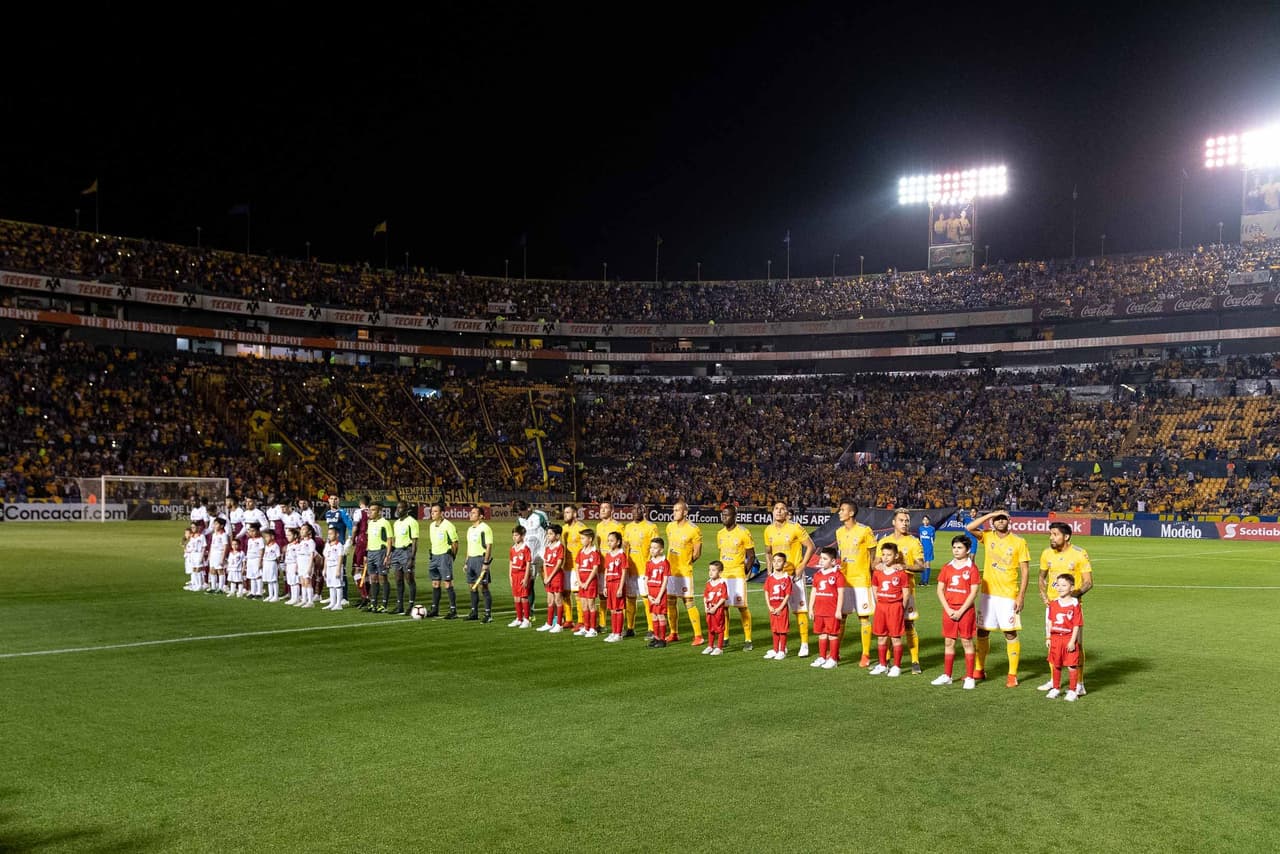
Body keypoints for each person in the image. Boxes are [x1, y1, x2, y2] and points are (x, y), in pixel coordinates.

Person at [967, 510, 1031, 687]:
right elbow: (969, 527)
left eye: (1003, 518)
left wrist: (1021, 595)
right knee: (982, 631)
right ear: (992, 522)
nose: (1000, 521)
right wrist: (990, 515)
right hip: (987, 594)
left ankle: (1012, 674)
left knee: (1009, 632)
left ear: (1009, 521)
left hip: (1008, 595)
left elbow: (1025, 570)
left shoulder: (1019, 542)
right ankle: (979, 670)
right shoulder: (987, 536)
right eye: (997, 519)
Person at [1037, 522, 1093, 695]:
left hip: (1071, 607)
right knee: (1053, 644)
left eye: (1055, 534)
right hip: (1053, 606)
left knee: (1075, 645)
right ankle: (1054, 680)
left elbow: (1088, 582)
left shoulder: (1079, 553)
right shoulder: (1047, 553)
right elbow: (1041, 576)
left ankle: (1080, 684)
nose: (1051, 537)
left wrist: (1072, 598)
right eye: (1050, 534)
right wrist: (1043, 594)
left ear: (1066, 536)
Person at [765, 501, 816, 657]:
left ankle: (804, 644)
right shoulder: (768, 530)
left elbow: (811, 546)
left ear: (787, 512)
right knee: (779, 609)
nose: (779, 511)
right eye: (776, 509)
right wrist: (769, 571)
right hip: (778, 576)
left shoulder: (795, 527)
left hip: (794, 575)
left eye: (782, 509)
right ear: (772, 511)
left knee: (799, 610)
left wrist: (801, 566)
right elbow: (768, 552)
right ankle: (781, 647)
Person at [879, 509, 926, 674]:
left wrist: (905, 566)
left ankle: (914, 661)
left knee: (908, 624)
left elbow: (921, 566)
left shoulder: (914, 542)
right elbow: (876, 564)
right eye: (901, 520)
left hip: (906, 590)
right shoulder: (884, 541)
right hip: (887, 592)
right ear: (894, 522)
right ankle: (886, 661)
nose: (905, 523)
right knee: (887, 627)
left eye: (907, 521)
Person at [931, 536, 980, 689]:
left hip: (965, 611)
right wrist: (948, 609)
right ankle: (947, 675)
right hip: (949, 610)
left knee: (966, 641)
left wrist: (960, 611)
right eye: (954, 547)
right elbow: (939, 590)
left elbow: (973, 593)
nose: (956, 550)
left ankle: (970, 677)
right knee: (949, 642)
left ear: (968, 550)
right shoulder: (947, 567)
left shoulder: (972, 568)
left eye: (960, 548)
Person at [835, 499, 879, 666]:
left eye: (842, 510)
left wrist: (871, 573)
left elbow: (873, 554)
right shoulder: (839, 532)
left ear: (851, 513)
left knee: (863, 617)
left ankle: (866, 654)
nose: (840, 512)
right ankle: (835, 652)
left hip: (861, 579)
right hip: (845, 579)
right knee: (842, 617)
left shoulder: (864, 531)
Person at [715, 503, 756, 651]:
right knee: (723, 607)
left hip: (737, 575)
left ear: (734, 516)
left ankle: (748, 639)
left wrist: (743, 571)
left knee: (742, 607)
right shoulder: (720, 534)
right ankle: (725, 637)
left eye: (727, 515)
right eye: (723, 514)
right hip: (723, 575)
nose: (724, 517)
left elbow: (751, 556)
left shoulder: (743, 532)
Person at [664, 500, 704, 646]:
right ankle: (673, 633)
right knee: (670, 602)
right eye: (673, 510)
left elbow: (697, 553)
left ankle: (698, 636)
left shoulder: (694, 529)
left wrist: (685, 562)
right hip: (670, 571)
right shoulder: (669, 527)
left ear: (685, 512)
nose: (674, 513)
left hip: (684, 572)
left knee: (688, 602)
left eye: (677, 510)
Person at [869, 542, 909, 677]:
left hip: (895, 607)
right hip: (881, 607)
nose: (886, 557)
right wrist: (878, 601)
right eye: (884, 555)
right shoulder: (878, 572)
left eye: (889, 555)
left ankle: (897, 666)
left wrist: (900, 607)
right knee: (881, 637)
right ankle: (882, 665)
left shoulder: (901, 573)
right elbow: (874, 587)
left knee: (895, 638)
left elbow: (906, 593)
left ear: (896, 556)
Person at [1044, 573, 1084, 701]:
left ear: (1071, 588)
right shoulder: (1054, 604)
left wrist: (1073, 641)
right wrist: (1048, 638)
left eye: (1064, 585)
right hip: (1056, 639)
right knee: (1056, 664)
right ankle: (1056, 688)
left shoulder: (1075, 604)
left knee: (1072, 665)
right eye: (1058, 585)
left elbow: (1077, 624)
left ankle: (1073, 691)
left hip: (1068, 638)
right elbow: (1050, 621)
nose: (1060, 588)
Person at [622, 502, 659, 638]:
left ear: (644, 511)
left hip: (645, 569)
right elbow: (625, 547)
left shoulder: (651, 527)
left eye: (639, 509)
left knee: (646, 599)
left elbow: (655, 547)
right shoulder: (628, 527)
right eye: (634, 508)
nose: (636, 511)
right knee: (630, 598)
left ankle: (651, 628)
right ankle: (630, 628)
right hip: (631, 569)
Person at [807, 547, 845, 670]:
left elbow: (841, 594)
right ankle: (822, 657)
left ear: (833, 561)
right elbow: (814, 591)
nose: (821, 561)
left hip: (831, 611)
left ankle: (833, 658)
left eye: (825, 559)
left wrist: (839, 610)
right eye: (821, 558)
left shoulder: (838, 576)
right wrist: (810, 607)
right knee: (822, 634)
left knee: (832, 634)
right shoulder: (817, 575)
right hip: (819, 610)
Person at [513, 500, 548, 628]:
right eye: (518, 513)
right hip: (528, 556)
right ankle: (529, 612)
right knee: (528, 584)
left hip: (542, 556)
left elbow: (550, 532)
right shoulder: (520, 519)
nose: (520, 515)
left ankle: (555, 614)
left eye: (521, 512)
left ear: (528, 508)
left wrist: (549, 552)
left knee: (548, 584)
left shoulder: (540, 516)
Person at [426, 502, 460, 619]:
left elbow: (455, 543)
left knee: (447, 583)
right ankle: (435, 609)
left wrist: (451, 557)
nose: (432, 513)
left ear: (441, 513)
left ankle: (453, 610)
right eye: (432, 511)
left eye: (435, 511)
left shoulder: (448, 525)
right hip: (434, 556)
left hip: (444, 556)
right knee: (435, 583)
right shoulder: (431, 526)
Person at [594, 502, 624, 630]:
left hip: (615, 567)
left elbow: (623, 545)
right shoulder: (599, 526)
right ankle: (602, 624)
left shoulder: (618, 526)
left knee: (618, 598)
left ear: (612, 510)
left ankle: (620, 627)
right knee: (602, 594)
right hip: (602, 565)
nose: (602, 510)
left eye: (605, 508)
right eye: (601, 508)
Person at [389, 501, 421, 615]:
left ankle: (411, 605)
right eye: (397, 508)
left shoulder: (412, 522)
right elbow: (395, 539)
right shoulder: (396, 523)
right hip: (397, 551)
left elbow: (414, 541)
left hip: (407, 551)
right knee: (398, 579)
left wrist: (412, 558)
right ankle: (400, 605)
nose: (398, 510)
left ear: (406, 509)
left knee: (409, 579)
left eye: (400, 508)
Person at [464, 505, 494, 622]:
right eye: (470, 512)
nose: (471, 514)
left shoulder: (485, 528)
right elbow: (469, 546)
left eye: (474, 513)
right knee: (472, 586)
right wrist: (466, 562)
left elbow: (488, 546)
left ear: (481, 516)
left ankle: (488, 614)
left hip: (480, 560)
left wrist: (486, 562)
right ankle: (474, 612)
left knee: (483, 587)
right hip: (471, 560)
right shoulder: (470, 529)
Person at [363, 502, 393, 612]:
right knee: (373, 578)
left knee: (382, 578)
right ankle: (373, 603)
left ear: (379, 511)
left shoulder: (385, 523)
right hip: (371, 553)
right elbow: (369, 539)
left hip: (381, 552)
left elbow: (390, 540)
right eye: (369, 510)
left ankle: (384, 604)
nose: (370, 512)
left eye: (373, 510)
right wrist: (366, 554)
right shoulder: (370, 523)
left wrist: (388, 556)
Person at [561, 505, 588, 629]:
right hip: (566, 565)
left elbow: (586, 546)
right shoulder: (564, 529)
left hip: (577, 567)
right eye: (565, 512)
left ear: (575, 514)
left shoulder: (581, 528)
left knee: (577, 594)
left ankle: (581, 621)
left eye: (568, 512)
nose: (565, 514)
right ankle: (568, 619)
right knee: (565, 593)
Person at [324, 495, 354, 604]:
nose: (333, 501)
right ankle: (333, 597)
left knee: (341, 570)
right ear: (328, 501)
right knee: (330, 570)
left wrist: (349, 540)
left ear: (338, 501)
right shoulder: (327, 513)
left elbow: (351, 526)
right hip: (330, 545)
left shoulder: (342, 512)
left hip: (339, 545)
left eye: (335, 499)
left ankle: (344, 597)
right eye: (331, 499)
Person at [763, 554, 794, 660]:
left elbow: (787, 595)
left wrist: (780, 607)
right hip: (772, 606)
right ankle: (775, 649)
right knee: (775, 629)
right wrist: (769, 606)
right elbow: (766, 592)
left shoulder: (786, 578)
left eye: (779, 561)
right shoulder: (770, 578)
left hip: (782, 607)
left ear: (784, 563)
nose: (776, 563)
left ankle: (782, 650)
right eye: (774, 561)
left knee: (782, 629)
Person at [537, 523, 567, 633]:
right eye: (547, 534)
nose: (548, 536)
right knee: (550, 600)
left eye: (550, 534)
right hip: (548, 576)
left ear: (557, 536)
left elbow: (559, 563)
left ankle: (559, 624)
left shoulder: (560, 547)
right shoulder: (548, 547)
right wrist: (545, 576)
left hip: (556, 576)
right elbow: (545, 563)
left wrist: (550, 577)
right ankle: (549, 623)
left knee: (558, 600)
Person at [573, 529, 601, 638]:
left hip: (590, 582)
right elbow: (577, 566)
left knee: (591, 605)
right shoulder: (581, 551)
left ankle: (593, 629)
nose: (581, 540)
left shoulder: (594, 553)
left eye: (583, 538)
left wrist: (587, 582)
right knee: (584, 605)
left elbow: (595, 569)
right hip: (582, 582)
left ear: (590, 539)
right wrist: (580, 581)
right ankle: (586, 627)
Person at [602, 531, 629, 643]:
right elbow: (606, 570)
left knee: (618, 609)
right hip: (609, 584)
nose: (609, 543)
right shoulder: (608, 555)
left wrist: (620, 588)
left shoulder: (622, 555)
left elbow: (624, 572)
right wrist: (604, 586)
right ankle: (613, 632)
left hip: (617, 583)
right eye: (608, 540)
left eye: (611, 540)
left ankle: (618, 633)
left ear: (618, 542)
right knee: (612, 610)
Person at [644, 538, 671, 648]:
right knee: (654, 616)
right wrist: (648, 595)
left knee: (660, 616)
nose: (652, 550)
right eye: (651, 547)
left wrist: (659, 596)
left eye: (655, 548)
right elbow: (646, 579)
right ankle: (656, 637)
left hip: (660, 592)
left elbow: (665, 581)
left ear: (661, 550)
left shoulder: (665, 563)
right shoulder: (649, 563)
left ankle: (662, 639)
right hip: (651, 592)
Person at [508, 524, 534, 629]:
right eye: (513, 535)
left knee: (523, 598)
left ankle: (527, 620)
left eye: (517, 535)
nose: (514, 537)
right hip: (514, 575)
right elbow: (510, 562)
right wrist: (510, 575)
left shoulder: (525, 549)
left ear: (522, 536)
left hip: (522, 575)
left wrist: (526, 577)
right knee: (516, 598)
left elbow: (528, 563)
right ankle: (519, 618)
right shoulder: (513, 549)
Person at [702, 561, 728, 657]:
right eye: (709, 570)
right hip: (709, 609)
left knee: (719, 628)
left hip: (718, 610)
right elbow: (705, 596)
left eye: (713, 570)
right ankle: (710, 646)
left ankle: (719, 648)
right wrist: (705, 607)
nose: (710, 572)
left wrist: (716, 607)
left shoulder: (722, 583)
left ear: (720, 572)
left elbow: (723, 597)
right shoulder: (708, 583)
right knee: (710, 628)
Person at [350, 495, 370, 609]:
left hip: (361, 541)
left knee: (356, 571)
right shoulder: (372, 512)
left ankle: (364, 596)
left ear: (360, 503)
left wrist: (352, 539)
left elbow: (355, 527)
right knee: (365, 571)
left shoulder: (358, 512)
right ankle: (366, 596)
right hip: (370, 541)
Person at [323, 528, 346, 611]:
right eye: (328, 534)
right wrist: (324, 569)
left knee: (338, 585)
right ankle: (332, 602)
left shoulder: (339, 545)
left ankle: (339, 604)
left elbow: (340, 557)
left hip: (336, 566)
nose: (329, 535)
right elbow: (326, 557)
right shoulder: (327, 545)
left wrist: (338, 570)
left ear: (337, 535)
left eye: (331, 534)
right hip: (329, 566)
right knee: (331, 585)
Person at [294, 521, 317, 608]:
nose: (301, 531)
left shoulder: (311, 542)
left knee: (308, 582)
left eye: (304, 529)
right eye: (301, 529)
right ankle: (304, 600)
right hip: (300, 563)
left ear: (309, 532)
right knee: (302, 582)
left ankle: (310, 601)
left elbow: (312, 555)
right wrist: (297, 566)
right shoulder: (301, 542)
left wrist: (310, 567)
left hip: (307, 563)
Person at [208, 518, 229, 595]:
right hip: (213, 554)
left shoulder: (223, 535)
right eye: (214, 524)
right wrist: (210, 554)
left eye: (216, 524)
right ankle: (213, 587)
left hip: (219, 553)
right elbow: (212, 545)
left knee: (220, 570)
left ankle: (221, 588)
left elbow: (225, 546)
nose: (214, 525)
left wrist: (223, 558)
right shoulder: (214, 534)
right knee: (212, 570)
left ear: (222, 525)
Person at [244, 520, 264, 599]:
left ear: (258, 531)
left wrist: (260, 561)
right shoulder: (249, 540)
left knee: (257, 575)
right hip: (250, 559)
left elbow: (261, 550)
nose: (251, 533)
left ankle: (259, 592)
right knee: (251, 576)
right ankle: (253, 591)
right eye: (250, 531)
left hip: (256, 559)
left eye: (253, 531)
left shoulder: (260, 540)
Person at [262, 527, 282, 602]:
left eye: (267, 537)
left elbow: (278, 556)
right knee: (269, 580)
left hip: (272, 563)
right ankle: (271, 595)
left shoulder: (275, 546)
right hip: (266, 562)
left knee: (273, 580)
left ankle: (276, 596)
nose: (265, 538)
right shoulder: (267, 546)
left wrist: (277, 565)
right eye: (265, 537)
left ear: (272, 537)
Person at [284, 527, 302, 605]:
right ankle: (293, 597)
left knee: (295, 582)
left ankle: (296, 598)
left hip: (294, 564)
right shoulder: (289, 545)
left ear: (295, 536)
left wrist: (297, 566)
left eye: (289, 535)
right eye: (287, 535)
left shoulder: (297, 545)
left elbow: (298, 557)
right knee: (291, 582)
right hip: (289, 564)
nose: (287, 537)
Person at [918, 515, 937, 585]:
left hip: (929, 548)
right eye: (924, 520)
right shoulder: (920, 528)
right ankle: (922, 580)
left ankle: (926, 580)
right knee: (922, 564)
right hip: (922, 549)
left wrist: (930, 547)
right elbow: (920, 539)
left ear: (929, 521)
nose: (925, 521)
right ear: (922, 521)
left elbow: (933, 539)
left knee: (927, 564)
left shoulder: (932, 529)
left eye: (927, 520)